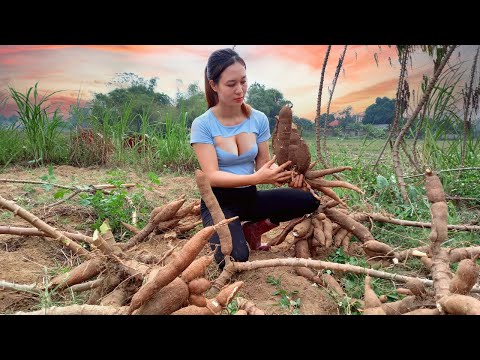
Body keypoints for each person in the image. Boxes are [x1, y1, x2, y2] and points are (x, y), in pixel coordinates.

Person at [190, 48, 319, 268]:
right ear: (214, 85)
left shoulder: (258, 119)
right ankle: (233, 233)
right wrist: (257, 178)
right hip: (219, 203)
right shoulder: (203, 124)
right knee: (235, 257)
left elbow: (263, 163)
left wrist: (282, 175)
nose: (240, 90)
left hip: (249, 198)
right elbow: (211, 176)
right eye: (231, 84)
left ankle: (253, 229)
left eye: (243, 81)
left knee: (309, 201)